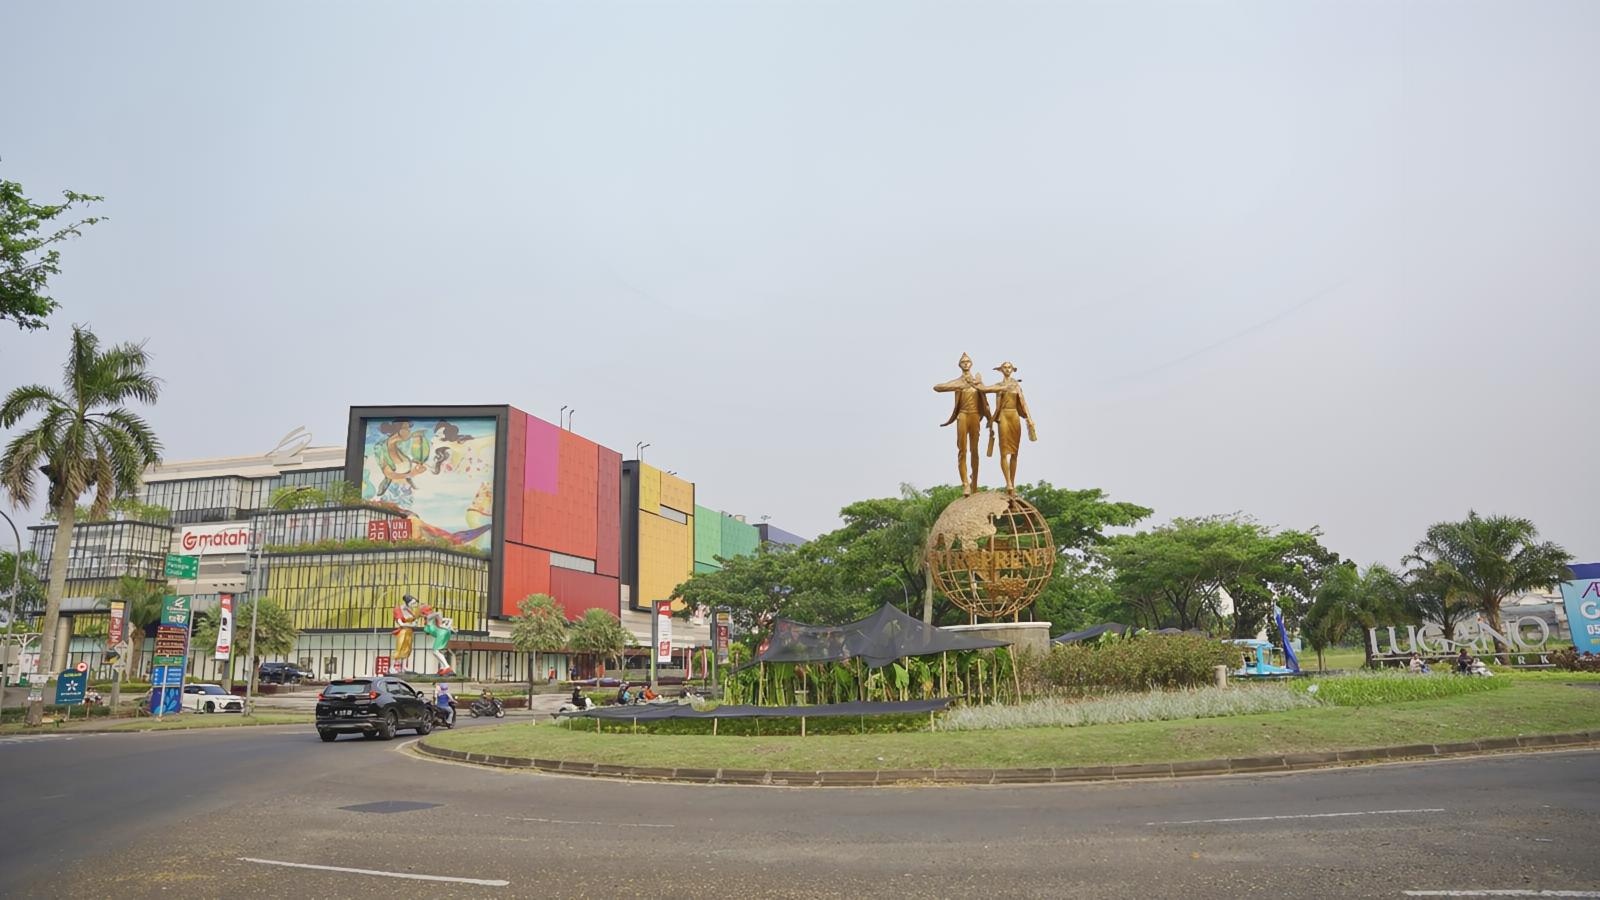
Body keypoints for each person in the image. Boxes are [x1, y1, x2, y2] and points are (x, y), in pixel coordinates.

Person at [932, 352, 994, 495]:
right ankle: (965, 483)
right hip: (963, 415)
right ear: (959, 365)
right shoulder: (958, 382)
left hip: (975, 416)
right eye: (963, 362)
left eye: (968, 361)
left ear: (971, 364)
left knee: (975, 451)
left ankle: (975, 483)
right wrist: (958, 385)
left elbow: (986, 401)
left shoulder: (978, 382)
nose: (966, 363)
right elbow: (937, 387)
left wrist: (991, 420)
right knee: (962, 450)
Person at [979, 361, 1037, 494]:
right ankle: (1008, 483)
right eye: (1004, 367)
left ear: (1012, 369)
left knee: (1015, 452)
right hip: (1003, 416)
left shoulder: (1016, 386)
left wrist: (1029, 418)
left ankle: (1013, 481)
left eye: (1009, 367)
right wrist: (977, 382)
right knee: (1004, 451)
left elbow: (1023, 403)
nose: (1007, 369)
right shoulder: (999, 386)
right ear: (1001, 370)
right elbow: (984, 389)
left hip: (1014, 416)